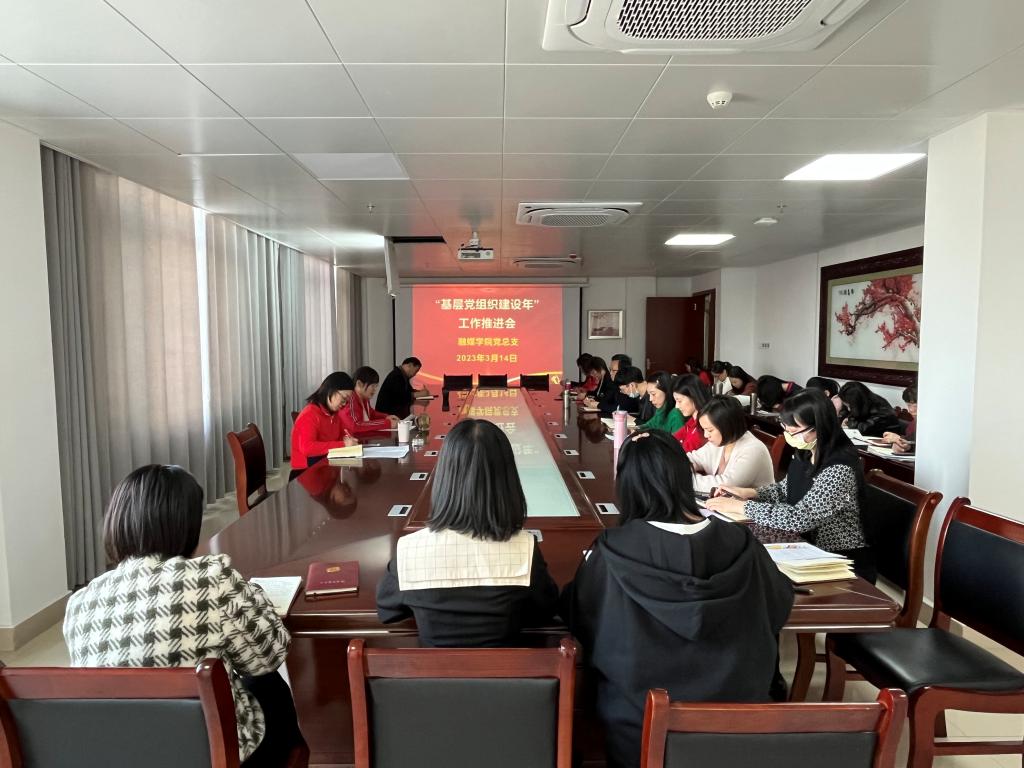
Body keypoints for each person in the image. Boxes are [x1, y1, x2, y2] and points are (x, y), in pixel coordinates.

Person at [561, 430, 794, 768]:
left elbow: (580, 617)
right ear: (684, 478)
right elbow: (779, 606)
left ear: (626, 485)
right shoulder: (741, 543)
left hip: (639, 731)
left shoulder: (612, 551)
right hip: (738, 729)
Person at [63, 465, 302, 767]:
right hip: (210, 753)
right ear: (185, 525)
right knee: (268, 684)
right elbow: (270, 655)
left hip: (122, 754)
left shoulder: (80, 603)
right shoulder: (210, 578)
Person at [376, 420, 559, 646]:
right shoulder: (525, 550)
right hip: (509, 670)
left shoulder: (410, 551)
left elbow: (387, 611)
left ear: (444, 477)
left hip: (433, 671)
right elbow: (546, 609)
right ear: (507, 480)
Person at [706, 389, 874, 580]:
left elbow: (800, 518)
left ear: (819, 427)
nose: (789, 435)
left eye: (794, 431)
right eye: (786, 428)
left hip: (840, 561)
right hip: (804, 547)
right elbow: (785, 489)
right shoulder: (806, 452)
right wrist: (749, 493)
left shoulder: (839, 467)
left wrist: (742, 507)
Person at [687, 396, 775, 493]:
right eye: (704, 429)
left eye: (710, 430)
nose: (706, 435)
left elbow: (726, 486)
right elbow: (692, 459)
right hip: (724, 501)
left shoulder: (754, 450)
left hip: (750, 502)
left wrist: (685, 478)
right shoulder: (722, 442)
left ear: (727, 426)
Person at [291, 371, 359, 472]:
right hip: (306, 472)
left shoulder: (333, 414)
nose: (345, 404)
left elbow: (344, 434)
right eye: (344, 398)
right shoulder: (310, 414)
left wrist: (348, 439)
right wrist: (343, 444)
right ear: (331, 390)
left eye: (347, 401)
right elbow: (307, 448)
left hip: (325, 465)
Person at [340, 366, 400, 436]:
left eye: (376, 386)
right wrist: (387, 423)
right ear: (359, 384)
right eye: (372, 386)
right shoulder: (351, 399)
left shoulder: (364, 398)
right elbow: (355, 425)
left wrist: (386, 417)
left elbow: (371, 414)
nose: (375, 390)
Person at [836, 381, 900, 437]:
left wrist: (849, 423)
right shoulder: (861, 403)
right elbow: (843, 417)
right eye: (846, 406)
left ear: (859, 402)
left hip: (884, 441)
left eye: (850, 406)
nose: (849, 409)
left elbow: (865, 429)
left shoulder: (881, 410)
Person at [671, 374, 711, 452]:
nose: (676, 406)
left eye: (679, 401)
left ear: (694, 397)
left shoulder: (703, 428)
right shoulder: (692, 421)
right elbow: (673, 438)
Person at [882, 384, 917, 452]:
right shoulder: (912, 424)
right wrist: (897, 441)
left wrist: (900, 439)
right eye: (909, 405)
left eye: (915, 406)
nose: (911, 410)